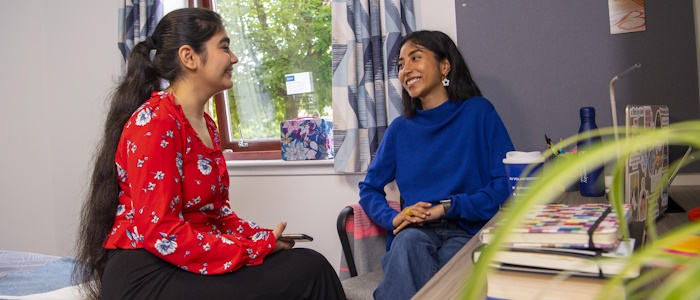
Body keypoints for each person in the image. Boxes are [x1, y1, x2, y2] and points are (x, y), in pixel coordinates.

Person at [73, 8, 346, 300]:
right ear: (189, 57)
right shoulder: (155, 122)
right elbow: (162, 232)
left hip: (183, 260)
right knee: (308, 272)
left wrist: (261, 238)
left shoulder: (207, 126)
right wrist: (249, 249)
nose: (235, 58)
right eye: (225, 47)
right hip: (146, 273)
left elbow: (219, 216)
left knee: (307, 262)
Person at [358, 30, 515, 299]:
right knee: (407, 245)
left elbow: (505, 184)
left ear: (445, 65)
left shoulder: (479, 112)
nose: (406, 70)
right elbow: (369, 189)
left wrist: (448, 207)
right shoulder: (399, 130)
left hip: (467, 231)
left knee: (453, 271)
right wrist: (395, 217)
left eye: (415, 58)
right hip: (415, 232)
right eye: (400, 65)